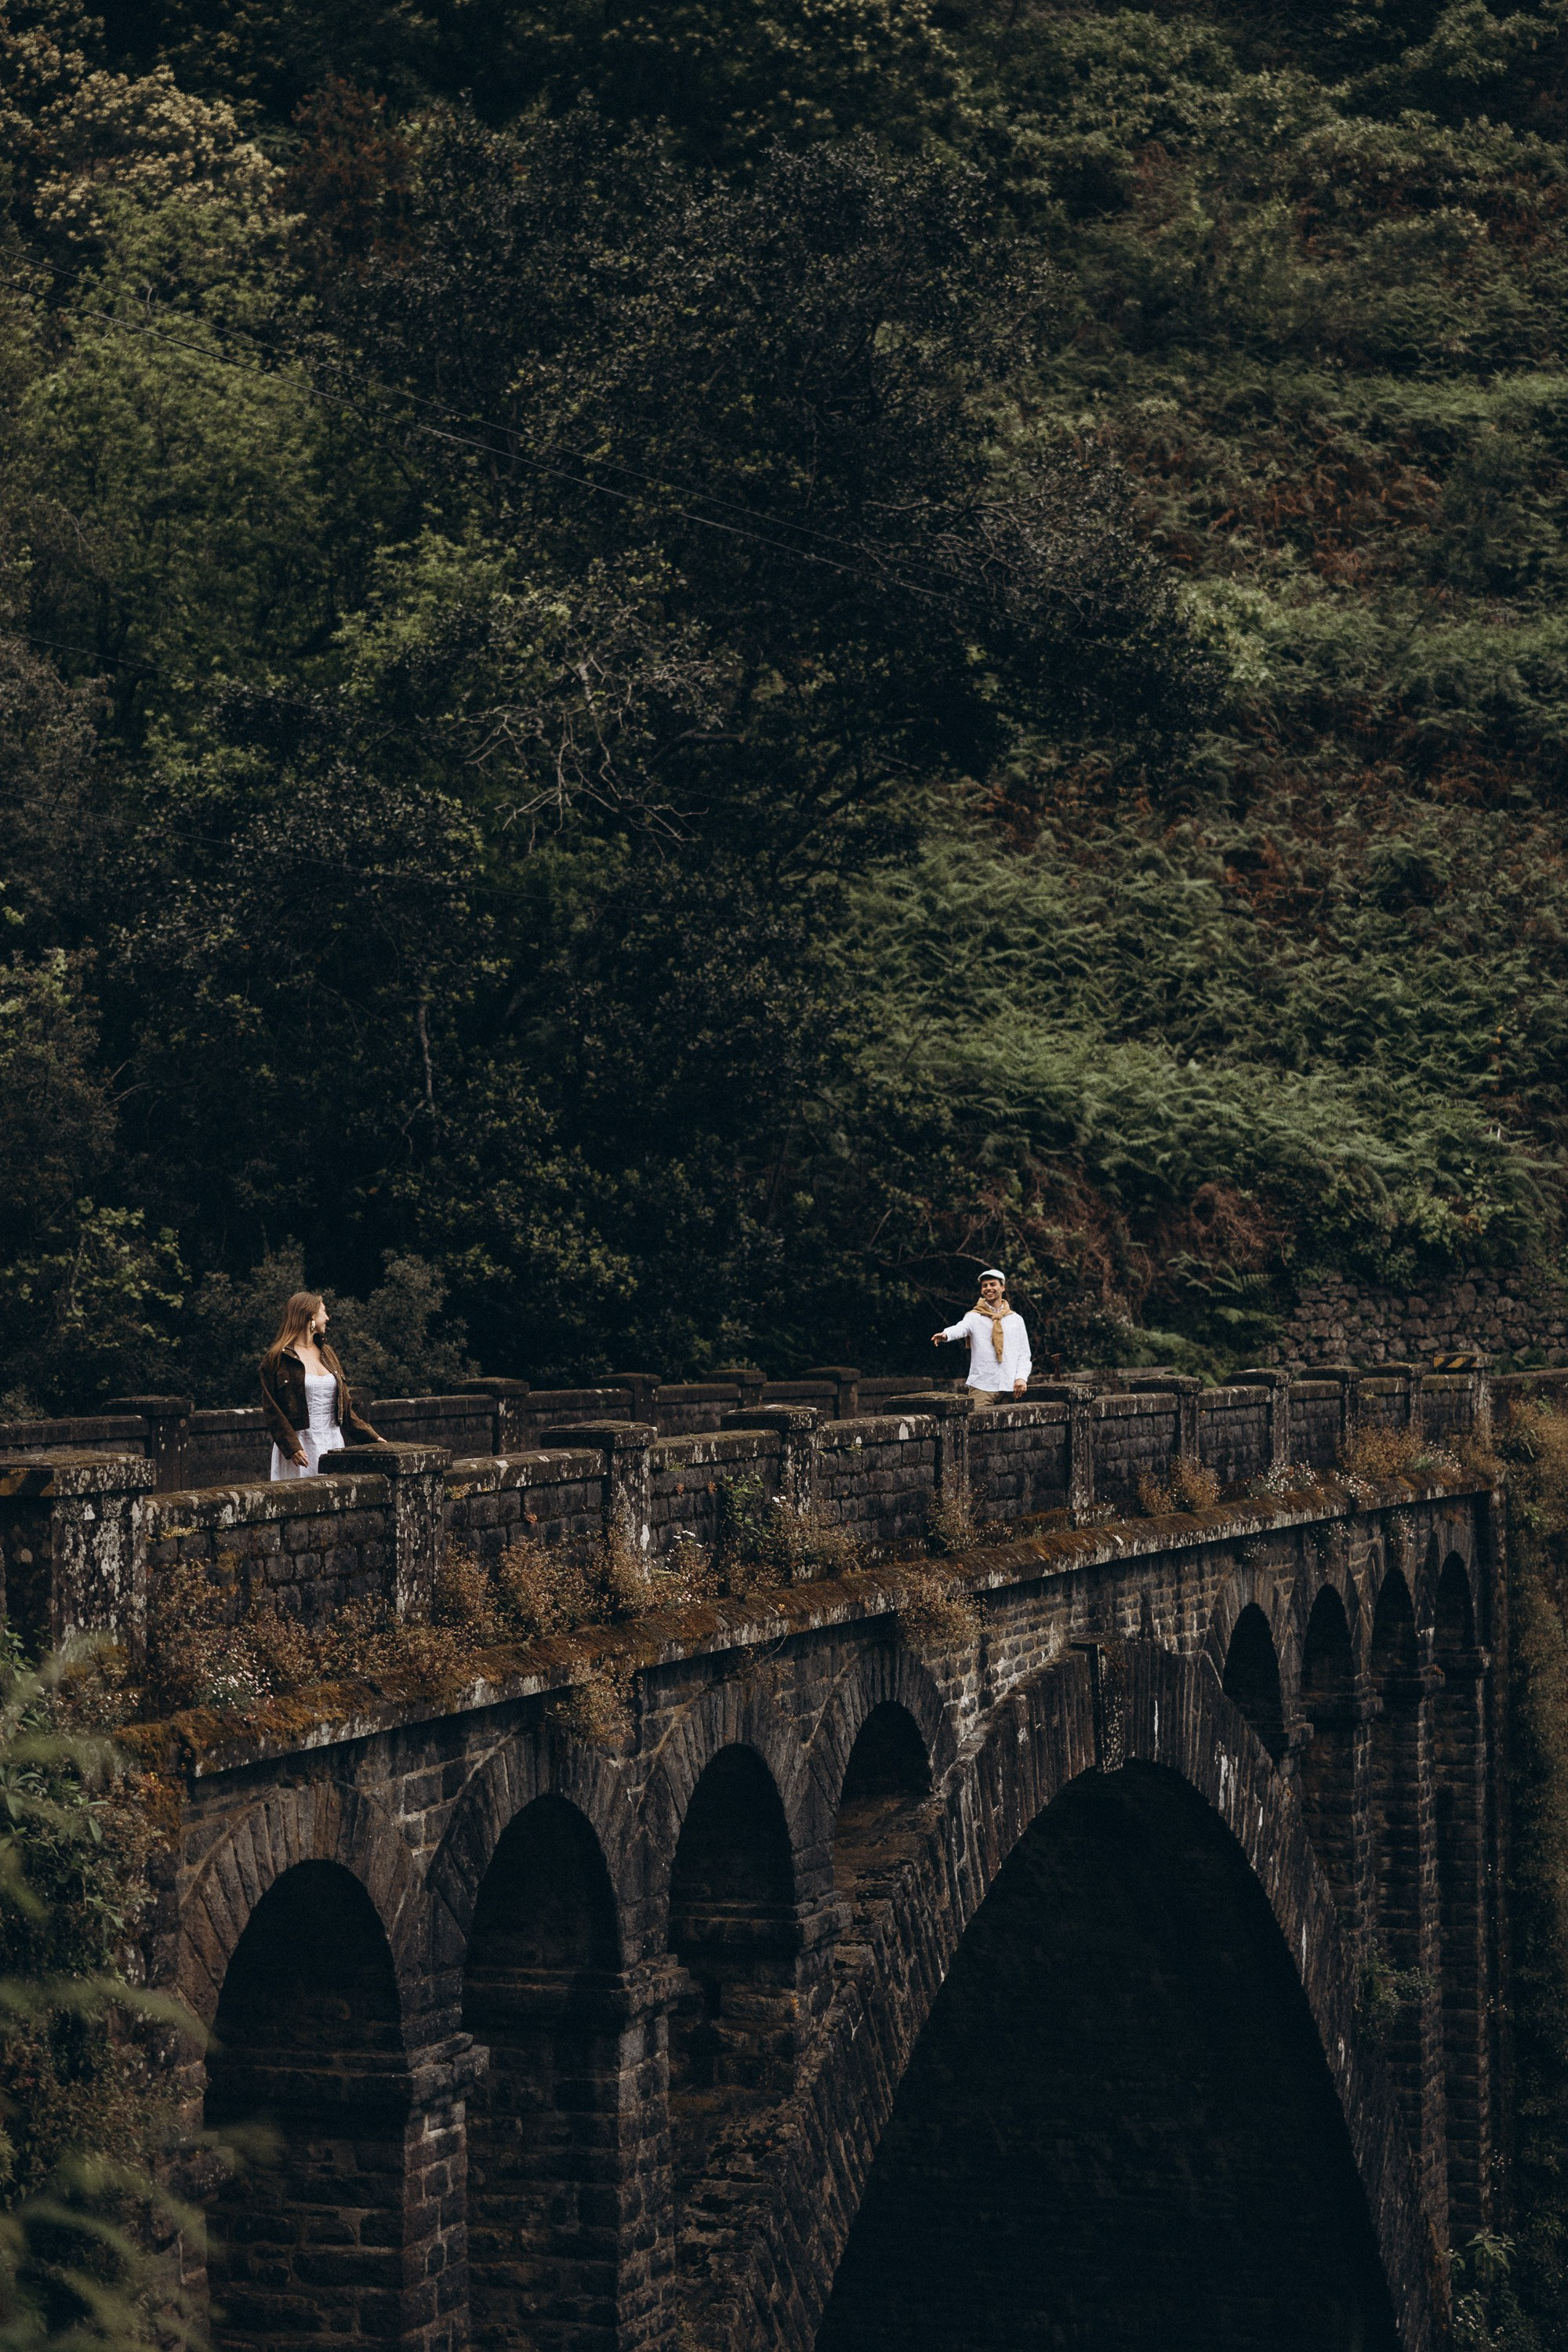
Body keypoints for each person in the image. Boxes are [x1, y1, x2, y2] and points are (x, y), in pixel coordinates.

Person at [260, 1290, 383, 1479]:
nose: (327, 1318)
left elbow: (346, 1409)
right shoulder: (277, 1358)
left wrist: (375, 1439)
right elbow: (272, 1409)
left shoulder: (328, 1353)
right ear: (310, 1316)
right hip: (300, 1450)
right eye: (323, 1312)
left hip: (332, 1442)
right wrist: (291, 1447)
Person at [931, 1269, 1032, 1401]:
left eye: (992, 1284)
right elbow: (961, 1328)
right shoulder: (974, 1316)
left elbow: (1024, 1354)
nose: (988, 1288)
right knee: (975, 1421)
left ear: (1002, 1288)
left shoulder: (1016, 1319)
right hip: (982, 1386)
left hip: (1010, 1386)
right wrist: (946, 1335)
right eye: (985, 1286)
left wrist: (1021, 1377)